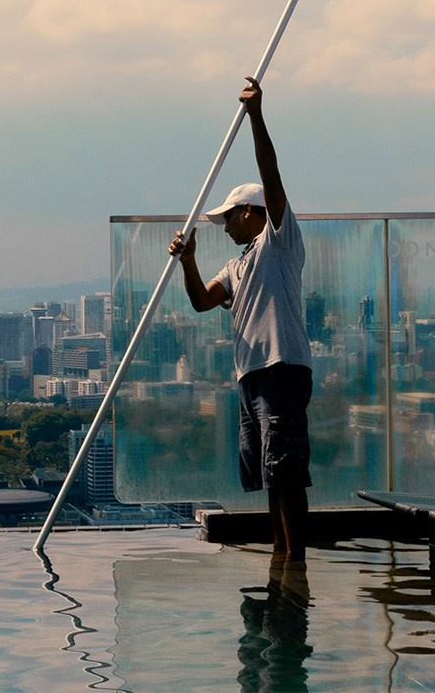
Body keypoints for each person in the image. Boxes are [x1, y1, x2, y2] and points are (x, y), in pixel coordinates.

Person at [169, 75, 313, 560]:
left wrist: (256, 116)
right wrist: (187, 261)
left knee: (286, 471)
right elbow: (202, 301)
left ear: (251, 213)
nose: (225, 224)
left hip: (280, 367)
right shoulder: (238, 264)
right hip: (252, 376)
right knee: (272, 473)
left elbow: (272, 178)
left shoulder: (278, 241)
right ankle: (281, 556)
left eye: (229, 216)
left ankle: (295, 564)